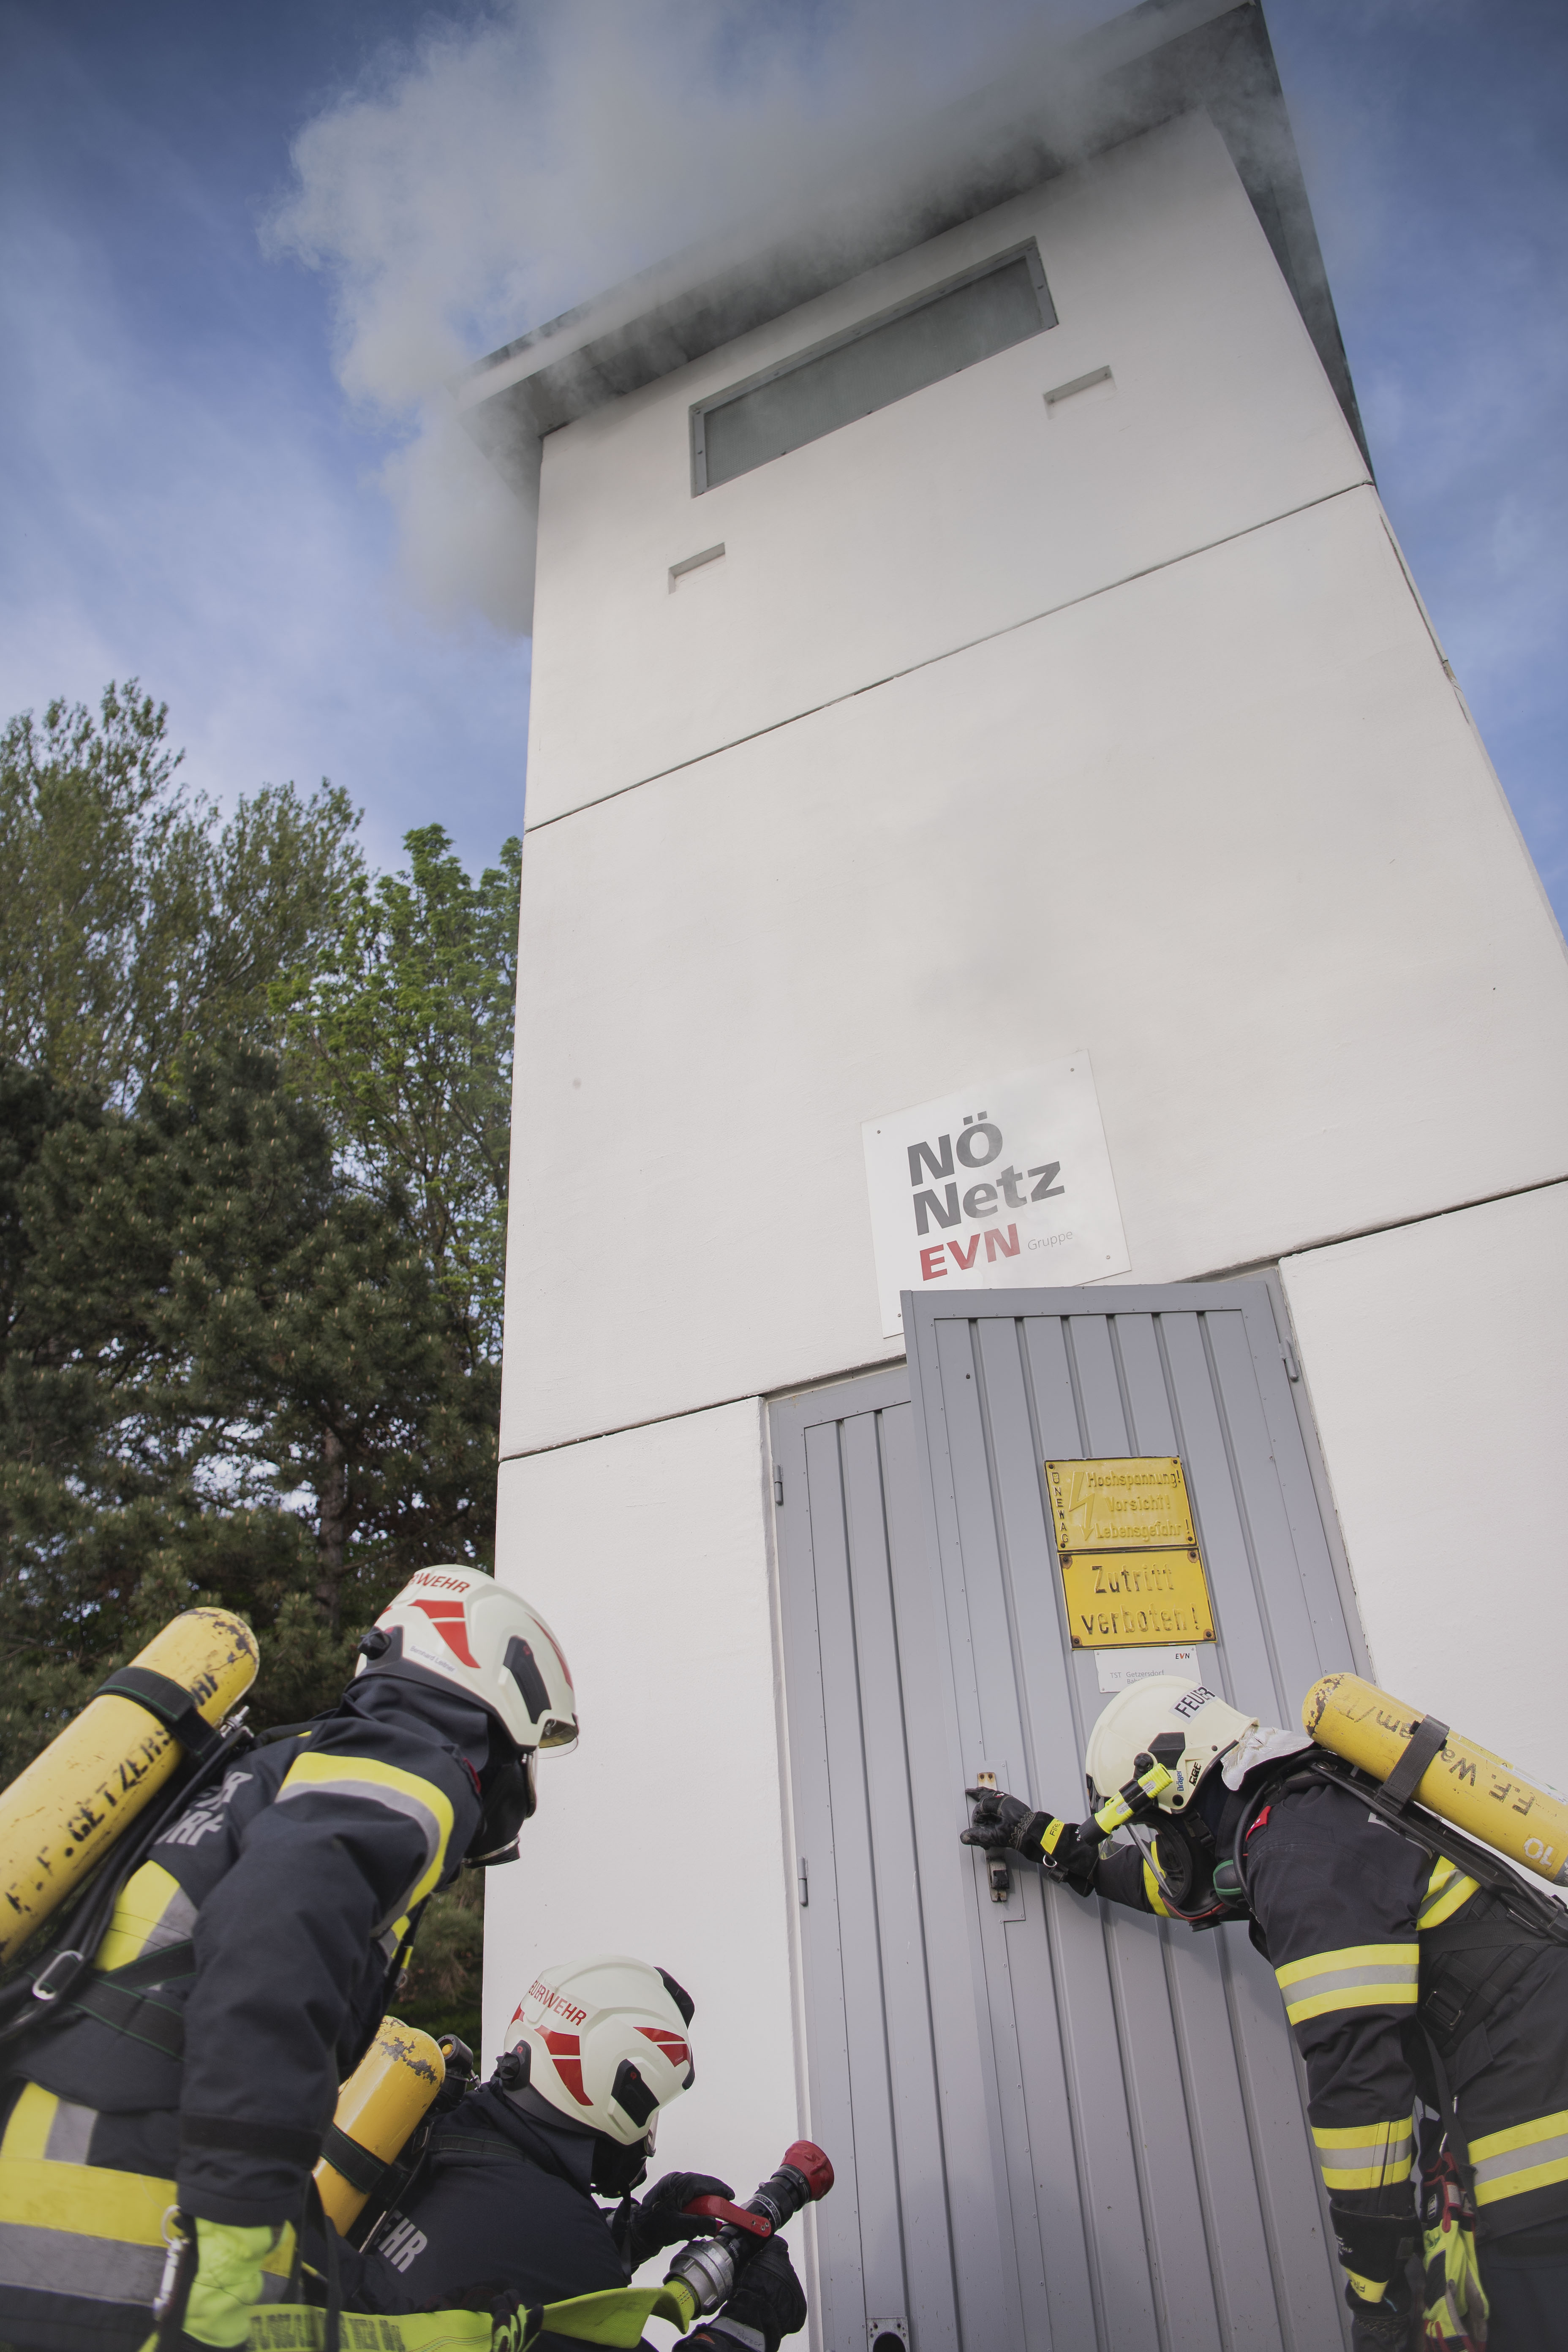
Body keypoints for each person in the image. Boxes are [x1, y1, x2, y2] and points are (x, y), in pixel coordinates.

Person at [0, 1565, 577, 2352]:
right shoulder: (412, 1758)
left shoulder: (283, 1771)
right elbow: (275, 1946)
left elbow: (231, 2065)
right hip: (114, 2266)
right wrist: (234, 2233)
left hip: (53, 2224)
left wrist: (426, 2319)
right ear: (505, 1692)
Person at [961, 1676, 1568, 2352]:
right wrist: (1049, 1840)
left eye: (1158, 1827)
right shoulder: (1303, 1812)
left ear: (1180, 1791)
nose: (1161, 1845)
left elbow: (1359, 2088)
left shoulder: (1301, 1854)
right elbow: (1183, 1889)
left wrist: (1375, 2292)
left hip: (1541, 2158)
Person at [328, 1953, 808, 2352]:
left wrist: (635, 2233)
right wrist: (752, 2321)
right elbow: (544, 2256)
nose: (645, 2137)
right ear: (620, 2089)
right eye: (649, 2112)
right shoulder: (566, 2241)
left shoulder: (446, 2126)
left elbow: (496, 2251)